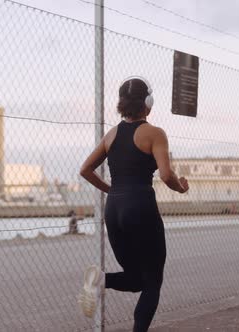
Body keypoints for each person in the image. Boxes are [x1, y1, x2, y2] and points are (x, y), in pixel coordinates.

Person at [77, 77, 189, 332]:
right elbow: (165, 174)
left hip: (114, 211)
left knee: (137, 278)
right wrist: (181, 187)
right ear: (148, 102)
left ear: (122, 104)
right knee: (152, 282)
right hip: (140, 208)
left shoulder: (112, 134)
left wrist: (113, 191)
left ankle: (99, 280)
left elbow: (85, 169)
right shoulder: (154, 133)